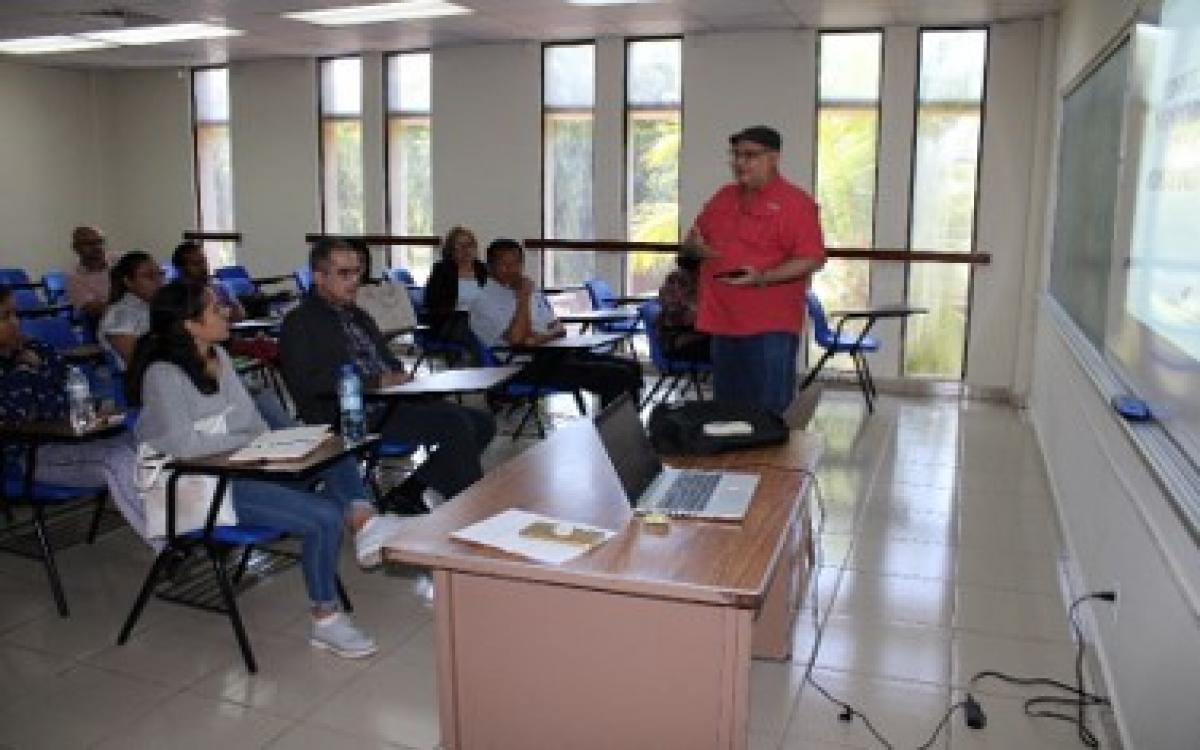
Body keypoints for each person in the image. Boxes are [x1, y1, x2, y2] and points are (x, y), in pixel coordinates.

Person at [127, 281, 405, 659]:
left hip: (239, 466)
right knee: (323, 516)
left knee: (333, 446)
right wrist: (239, 439)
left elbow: (253, 424)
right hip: (199, 486)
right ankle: (325, 619)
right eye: (214, 308)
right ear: (188, 323)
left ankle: (363, 518)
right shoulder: (162, 374)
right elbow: (184, 447)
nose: (226, 310)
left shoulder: (219, 358)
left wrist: (240, 439)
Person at [279, 239, 496, 513]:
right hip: (348, 414)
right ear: (319, 277)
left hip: (388, 402)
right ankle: (472, 512)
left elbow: (386, 359)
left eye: (357, 272)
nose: (355, 281)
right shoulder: (299, 322)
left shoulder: (357, 315)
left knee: (482, 422)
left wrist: (400, 376)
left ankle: (409, 491)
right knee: (455, 424)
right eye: (344, 274)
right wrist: (375, 383)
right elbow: (307, 383)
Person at [686, 125, 826, 415]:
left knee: (768, 416)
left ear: (774, 158)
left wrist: (764, 277)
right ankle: (732, 462)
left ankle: (768, 463)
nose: (740, 163)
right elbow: (689, 244)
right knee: (726, 414)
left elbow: (812, 258)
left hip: (769, 328)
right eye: (736, 156)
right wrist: (695, 249)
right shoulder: (723, 197)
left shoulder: (795, 204)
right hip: (722, 323)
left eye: (750, 156)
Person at [0, 286, 149, 545]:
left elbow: (74, 386)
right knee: (116, 460)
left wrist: (37, 381)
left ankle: (191, 520)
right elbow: (20, 416)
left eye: (14, 314)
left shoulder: (37, 348)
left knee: (144, 442)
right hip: (25, 456)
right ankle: (169, 544)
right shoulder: (26, 360)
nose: (15, 322)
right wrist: (26, 370)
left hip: (70, 440)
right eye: (4, 317)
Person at [469, 239, 642, 409]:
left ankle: (632, 430)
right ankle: (615, 435)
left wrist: (538, 338)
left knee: (631, 367)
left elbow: (559, 328)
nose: (512, 270)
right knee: (616, 376)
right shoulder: (484, 301)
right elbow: (518, 340)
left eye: (517, 264)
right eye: (504, 265)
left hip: (554, 355)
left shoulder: (531, 291)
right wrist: (523, 299)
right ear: (489, 267)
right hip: (521, 366)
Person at [422, 227, 488, 358]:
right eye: (460, 245)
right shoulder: (441, 270)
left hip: (480, 320)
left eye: (469, 244)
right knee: (474, 332)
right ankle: (484, 366)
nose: (466, 249)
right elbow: (432, 302)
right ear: (451, 250)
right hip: (450, 322)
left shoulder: (483, 270)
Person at [98, 251, 164, 369]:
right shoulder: (119, 314)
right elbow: (137, 361)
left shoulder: (152, 306)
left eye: (160, 274)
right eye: (149, 276)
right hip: (137, 380)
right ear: (128, 282)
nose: (159, 281)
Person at [171, 240, 246, 322]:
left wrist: (222, 312)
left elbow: (240, 313)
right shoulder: (174, 293)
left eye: (204, 261)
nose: (203, 267)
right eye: (196, 264)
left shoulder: (217, 287)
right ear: (181, 269)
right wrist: (223, 312)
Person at [656, 251, 710, 363]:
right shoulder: (677, 283)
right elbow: (680, 316)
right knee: (725, 348)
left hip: (688, 338)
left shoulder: (696, 283)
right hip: (678, 342)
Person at [65, 226, 114, 328]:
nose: (97, 247)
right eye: (89, 244)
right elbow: (94, 310)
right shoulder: (74, 278)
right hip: (106, 325)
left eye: (100, 242)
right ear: (76, 248)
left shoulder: (120, 261)